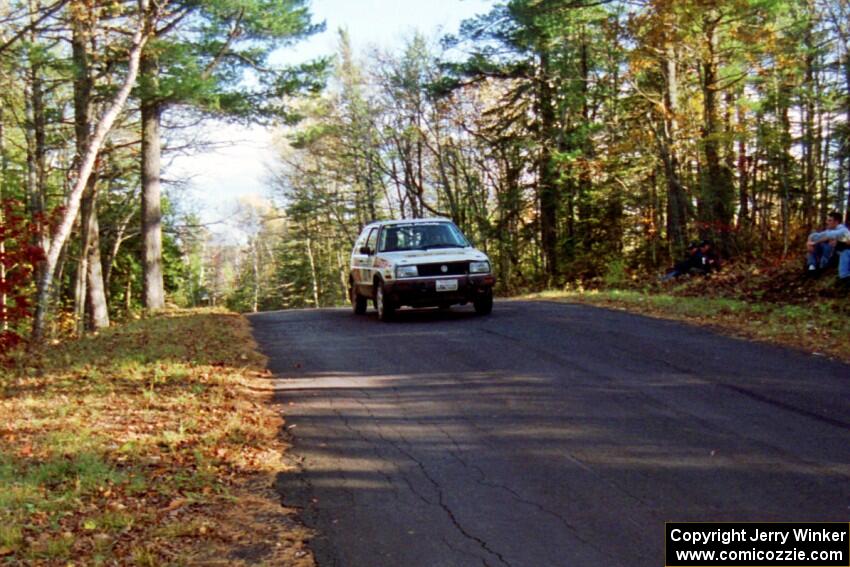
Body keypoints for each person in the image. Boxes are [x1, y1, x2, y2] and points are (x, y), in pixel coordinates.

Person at [806, 211, 850, 280]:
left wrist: (815, 242)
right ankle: (812, 267)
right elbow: (813, 236)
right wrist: (808, 243)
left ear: (836, 222)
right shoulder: (830, 230)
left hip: (839, 256)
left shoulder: (843, 230)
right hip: (832, 254)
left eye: (830, 220)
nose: (827, 222)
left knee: (825, 244)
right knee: (817, 243)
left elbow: (829, 235)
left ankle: (822, 267)